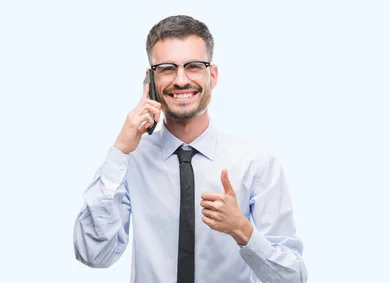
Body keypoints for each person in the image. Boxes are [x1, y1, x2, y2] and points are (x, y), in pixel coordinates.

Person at [73, 15, 308, 283]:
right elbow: (93, 255)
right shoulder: (130, 161)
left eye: (194, 66)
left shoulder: (255, 163)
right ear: (150, 80)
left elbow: (293, 278)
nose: (182, 80)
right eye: (167, 68)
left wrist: (243, 231)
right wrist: (120, 151)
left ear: (213, 75)